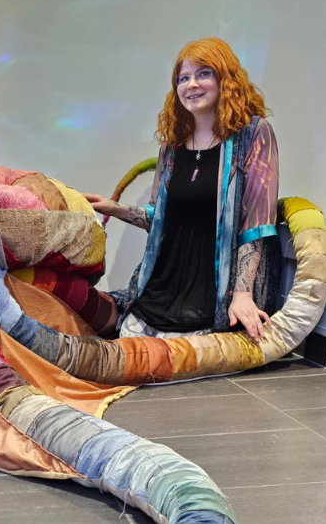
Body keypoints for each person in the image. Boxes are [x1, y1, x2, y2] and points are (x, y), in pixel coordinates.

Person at [86, 37, 281, 342]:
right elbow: (158, 219)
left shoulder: (254, 135)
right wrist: (116, 209)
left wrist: (242, 296)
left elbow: (255, 225)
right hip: (162, 289)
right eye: (183, 78)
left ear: (225, 79)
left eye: (204, 73)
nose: (192, 84)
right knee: (119, 343)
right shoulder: (172, 145)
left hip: (218, 293)